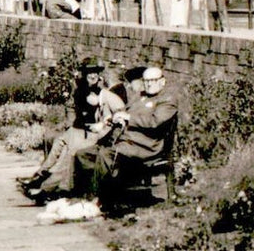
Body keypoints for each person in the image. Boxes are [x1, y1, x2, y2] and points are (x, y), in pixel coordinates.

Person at [59, 66, 177, 210]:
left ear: (162, 81)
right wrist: (113, 118)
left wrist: (128, 118)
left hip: (145, 146)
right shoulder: (141, 97)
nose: (149, 84)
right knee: (83, 154)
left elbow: (154, 122)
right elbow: (124, 111)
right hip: (124, 142)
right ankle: (80, 194)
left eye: (153, 80)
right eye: (146, 81)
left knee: (105, 154)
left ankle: (97, 200)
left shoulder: (167, 100)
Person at [22, 61, 129, 199]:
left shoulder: (105, 94)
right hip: (80, 130)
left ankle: (48, 188)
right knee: (59, 143)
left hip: (93, 135)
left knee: (69, 154)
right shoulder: (81, 91)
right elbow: (73, 107)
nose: (93, 76)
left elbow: (121, 113)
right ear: (84, 75)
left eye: (95, 73)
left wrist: (103, 123)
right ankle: (42, 177)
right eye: (89, 73)